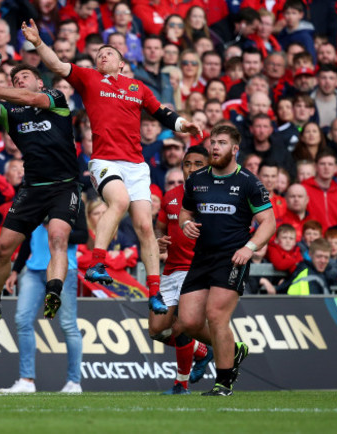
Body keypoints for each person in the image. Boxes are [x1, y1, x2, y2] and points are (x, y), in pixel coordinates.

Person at [21, 19, 202, 316]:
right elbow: (56, 65)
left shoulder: (137, 87)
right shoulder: (89, 78)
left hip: (136, 165)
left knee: (145, 225)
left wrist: (184, 125)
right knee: (119, 201)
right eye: (99, 54)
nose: (102, 57)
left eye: (109, 54)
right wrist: (39, 43)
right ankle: (97, 263)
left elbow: (162, 114)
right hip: (105, 160)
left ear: (121, 63)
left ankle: (155, 291)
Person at [0, 61, 82, 337]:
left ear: (40, 83)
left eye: (24, 75)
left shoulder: (56, 98)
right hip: (32, 189)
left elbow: (30, 98)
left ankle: (53, 292)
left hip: (64, 186)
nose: (19, 80)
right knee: (1, 249)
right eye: (15, 78)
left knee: (57, 237)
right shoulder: (11, 111)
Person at [177, 124, 276, 396]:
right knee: (187, 322)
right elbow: (185, 213)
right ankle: (234, 350)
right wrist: (186, 224)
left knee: (216, 315)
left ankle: (223, 382)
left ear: (235, 149)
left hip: (232, 258)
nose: (215, 147)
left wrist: (250, 247)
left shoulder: (249, 182)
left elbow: (269, 222)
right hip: (201, 258)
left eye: (221, 142)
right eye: (213, 142)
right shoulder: (196, 179)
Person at [0, 204, 87, 394]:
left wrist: (58, 231)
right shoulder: (36, 197)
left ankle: (74, 382)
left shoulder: (73, 200)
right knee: (22, 319)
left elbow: (83, 236)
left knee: (68, 325)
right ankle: (26, 380)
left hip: (63, 269)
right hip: (33, 270)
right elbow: (27, 237)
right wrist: (15, 269)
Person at [152, 146, 213, 395]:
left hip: (198, 270)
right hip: (171, 270)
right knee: (157, 330)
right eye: (188, 163)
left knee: (183, 326)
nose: (191, 168)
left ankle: (181, 384)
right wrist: (160, 240)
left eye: (198, 164)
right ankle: (203, 351)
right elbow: (159, 228)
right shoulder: (170, 197)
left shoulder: (214, 197)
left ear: (208, 167)